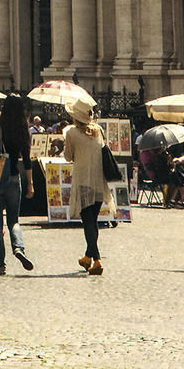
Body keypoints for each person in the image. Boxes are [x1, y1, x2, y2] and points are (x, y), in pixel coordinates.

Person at [61, 97, 111, 276]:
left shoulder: (71, 133)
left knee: (88, 221)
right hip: (98, 180)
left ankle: (97, 260)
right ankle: (88, 257)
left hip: (83, 181)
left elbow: (68, 157)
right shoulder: (99, 131)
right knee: (93, 220)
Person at [0, 93, 33, 274]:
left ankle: (0, 265)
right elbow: (27, 160)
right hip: (14, 175)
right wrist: (30, 184)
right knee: (14, 220)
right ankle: (18, 248)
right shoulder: (23, 128)